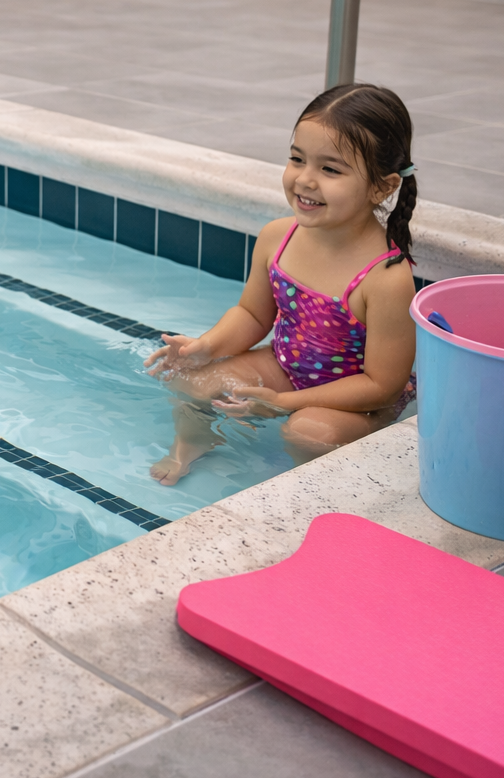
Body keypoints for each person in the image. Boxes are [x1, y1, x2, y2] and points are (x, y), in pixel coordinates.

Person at [144, 84, 419, 485]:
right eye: (297, 159)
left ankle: (306, 489)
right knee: (193, 382)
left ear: (382, 186)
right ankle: (193, 442)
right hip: (286, 365)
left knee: (308, 432)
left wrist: (285, 403)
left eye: (330, 169)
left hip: (356, 400)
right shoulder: (278, 237)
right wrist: (207, 347)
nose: (305, 179)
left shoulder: (386, 277)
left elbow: (381, 386)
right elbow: (252, 314)